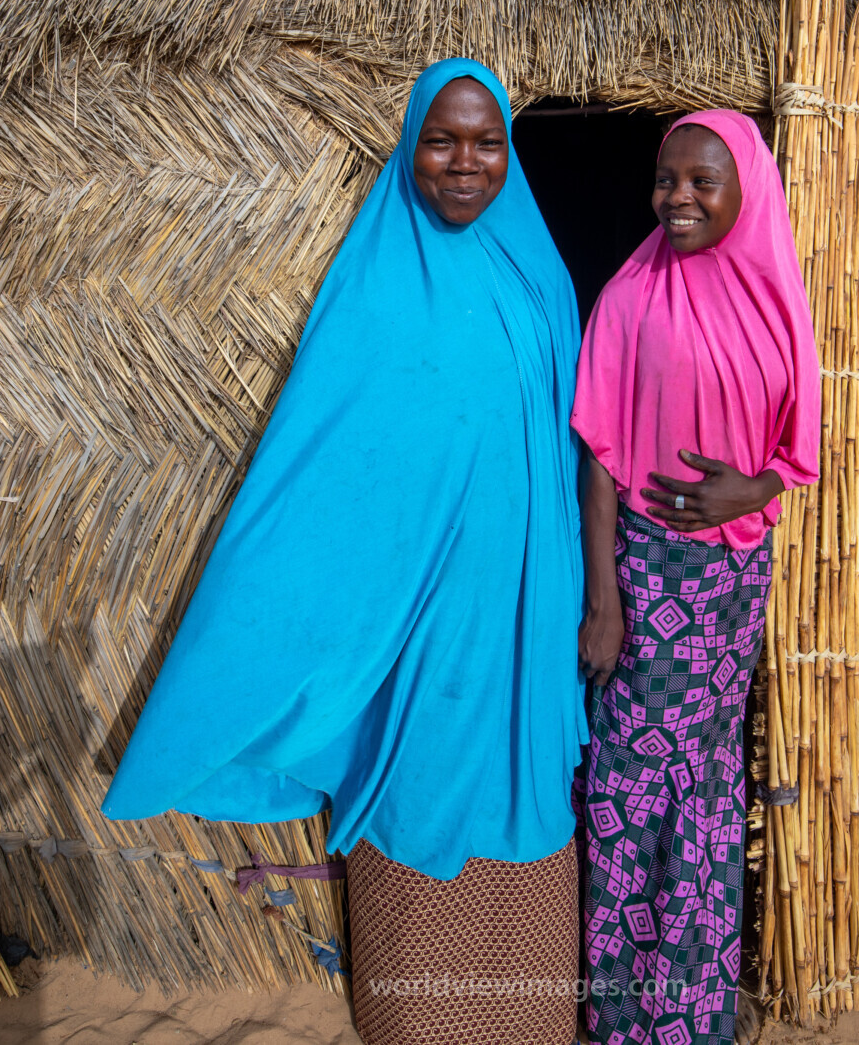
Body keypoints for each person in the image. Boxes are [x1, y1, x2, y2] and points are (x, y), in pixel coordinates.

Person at [103, 58, 587, 1045]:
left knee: (525, 784)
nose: (464, 162)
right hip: (419, 618)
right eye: (441, 141)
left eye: (485, 142)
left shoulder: (540, 276)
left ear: (510, 151)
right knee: (423, 782)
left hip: (526, 610)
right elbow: (321, 465)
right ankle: (423, 1018)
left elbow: (577, 441)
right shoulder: (375, 286)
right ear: (410, 147)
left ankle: (524, 1013)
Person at [572, 110, 820, 1045]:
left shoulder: (773, 296)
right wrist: (605, 599)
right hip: (645, 575)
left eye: (700, 182)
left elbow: (794, 453)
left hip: (731, 582)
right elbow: (597, 450)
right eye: (665, 179)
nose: (677, 198)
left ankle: (694, 1014)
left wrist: (745, 490)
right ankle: (622, 1016)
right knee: (629, 782)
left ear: (743, 192)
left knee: (709, 792)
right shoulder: (632, 293)